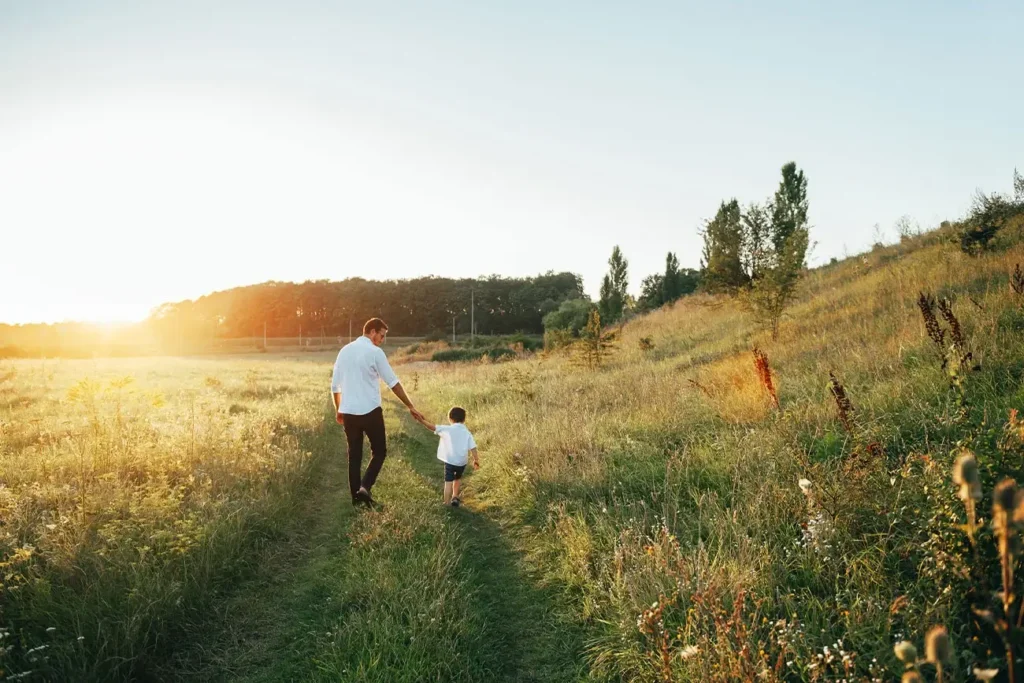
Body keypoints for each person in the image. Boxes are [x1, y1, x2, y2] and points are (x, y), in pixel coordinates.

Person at [331, 318, 424, 507]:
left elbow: (335, 385)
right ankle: (365, 487)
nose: (382, 339)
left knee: (354, 454)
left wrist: (338, 410)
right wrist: (410, 405)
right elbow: (393, 383)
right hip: (371, 412)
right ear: (372, 332)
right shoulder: (375, 352)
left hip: (348, 412)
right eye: (381, 335)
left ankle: (356, 498)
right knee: (379, 451)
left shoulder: (344, 351)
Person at [414, 406, 479, 507]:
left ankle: (447, 502)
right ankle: (455, 496)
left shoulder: (447, 429)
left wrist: (422, 421)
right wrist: (476, 460)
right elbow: (473, 447)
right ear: (464, 419)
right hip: (462, 462)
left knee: (448, 481)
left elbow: (432, 427)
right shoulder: (467, 433)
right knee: (457, 478)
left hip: (450, 461)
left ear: (450, 418)